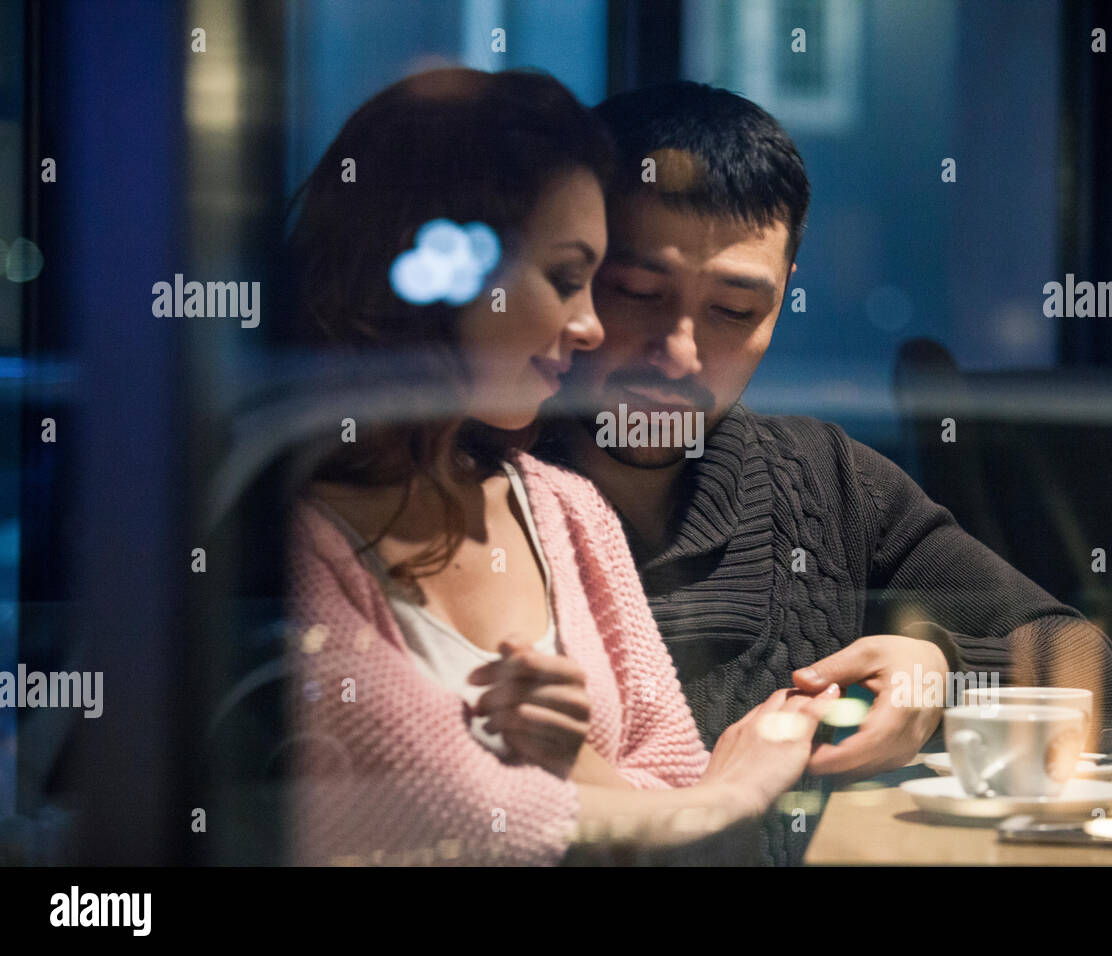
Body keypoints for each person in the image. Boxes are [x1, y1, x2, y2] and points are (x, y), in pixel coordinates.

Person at [535, 81, 1112, 864]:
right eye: (639, 294)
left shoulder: (823, 480)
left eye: (732, 310)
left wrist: (938, 676)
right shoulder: (476, 495)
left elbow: (1096, 678)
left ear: (783, 299)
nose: (679, 353)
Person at [279, 68, 837, 866]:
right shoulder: (289, 536)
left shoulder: (563, 507)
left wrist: (583, 768)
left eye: (735, 310)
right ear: (446, 269)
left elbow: (667, 782)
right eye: (574, 281)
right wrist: (735, 791)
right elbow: (454, 809)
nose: (587, 326)